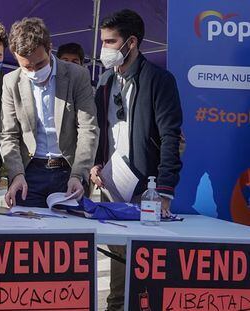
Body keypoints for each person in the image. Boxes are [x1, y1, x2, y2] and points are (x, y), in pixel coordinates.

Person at [89, 9, 182, 310]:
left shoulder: (159, 80)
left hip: (149, 191)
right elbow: (100, 130)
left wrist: (165, 190)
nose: (104, 48)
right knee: (118, 273)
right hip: (111, 187)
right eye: (102, 41)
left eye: (110, 41)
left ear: (131, 42)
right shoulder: (103, 82)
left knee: (148, 274)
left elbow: (170, 137)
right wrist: (95, 163)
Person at [0, 17, 99, 208]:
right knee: (27, 235)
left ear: (49, 48)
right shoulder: (11, 82)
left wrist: (79, 174)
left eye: (40, 64)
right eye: (26, 67)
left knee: (70, 235)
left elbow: (88, 128)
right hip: (29, 173)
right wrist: (16, 174)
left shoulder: (77, 75)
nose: (34, 71)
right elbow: (8, 134)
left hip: (68, 170)